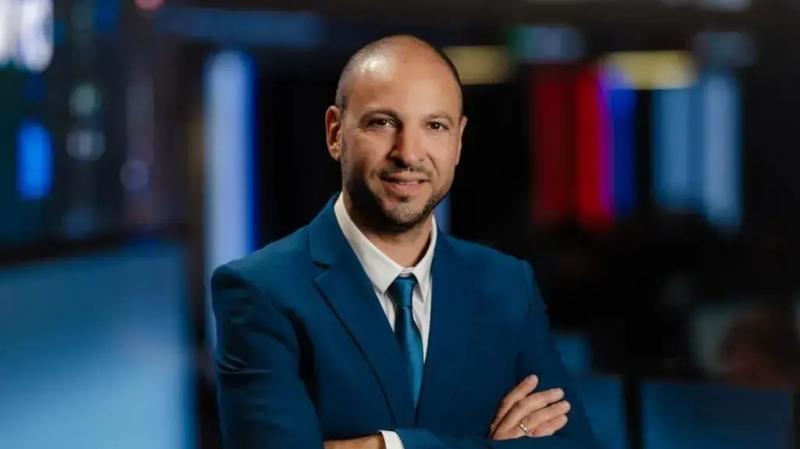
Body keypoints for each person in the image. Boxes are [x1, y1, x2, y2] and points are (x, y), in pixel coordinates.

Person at [211, 35, 597, 449]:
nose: (409, 153)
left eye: (435, 126)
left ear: (458, 141)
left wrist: (388, 446)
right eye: (382, 122)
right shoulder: (261, 290)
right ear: (335, 133)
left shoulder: (507, 285)